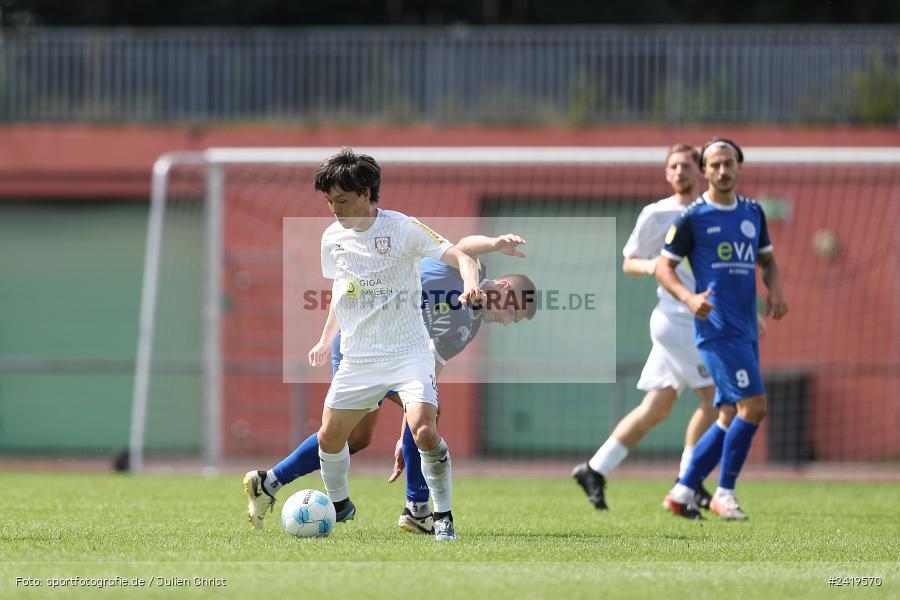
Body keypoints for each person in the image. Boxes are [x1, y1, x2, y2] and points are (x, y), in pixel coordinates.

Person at [244, 146, 477, 542]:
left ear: (367, 193)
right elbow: (343, 291)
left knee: (423, 429)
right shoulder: (332, 237)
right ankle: (338, 506)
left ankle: (440, 516)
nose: (334, 209)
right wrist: (325, 338)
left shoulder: (402, 228)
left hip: (408, 353)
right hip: (358, 358)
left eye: (342, 200)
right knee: (331, 438)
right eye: (329, 201)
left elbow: (461, 255)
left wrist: (471, 285)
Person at [244, 234, 536, 535]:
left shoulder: (468, 328)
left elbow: (429, 377)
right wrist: (494, 243)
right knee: (343, 435)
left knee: (372, 434)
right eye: (511, 312)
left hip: (396, 361)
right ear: (503, 287)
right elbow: (465, 246)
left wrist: (407, 434)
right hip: (361, 345)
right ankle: (417, 509)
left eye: (513, 320)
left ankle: (268, 482)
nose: (506, 321)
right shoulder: (467, 268)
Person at [572, 143, 718, 511]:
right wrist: (655, 266)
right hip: (677, 319)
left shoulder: (712, 211)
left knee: (657, 406)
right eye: (674, 166)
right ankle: (689, 482)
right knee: (717, 400)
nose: (680, 171)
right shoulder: (656, 214)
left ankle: (594, 469)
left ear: (700, 170)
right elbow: (629, 262)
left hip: (701, 318)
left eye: (686, 165)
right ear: (667, 173)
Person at [657, 137, 788, 520]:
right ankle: (724, 493)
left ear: (739, 167)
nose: (722, 170)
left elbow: (767, 261)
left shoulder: (752, 212)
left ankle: (683, 490)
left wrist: (775, 291)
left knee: (730, 412)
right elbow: (664, 268)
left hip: (746, 328)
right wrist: (688, 298)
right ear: (704, 171)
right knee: (755, 406)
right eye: (714, 165)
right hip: (716, 329)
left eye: (728, 163)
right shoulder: (693, 217)